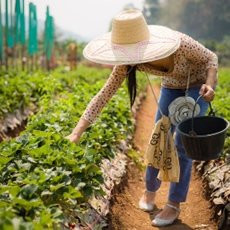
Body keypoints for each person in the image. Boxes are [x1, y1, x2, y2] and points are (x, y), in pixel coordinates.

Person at [66, 9, 218, 227]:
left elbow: (211, 58)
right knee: (158, 136)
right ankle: (149, 190)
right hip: (171, 87)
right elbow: (104, 94)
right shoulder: (128, 62)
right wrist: (76, 132)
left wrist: (210, 85)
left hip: (198, 87)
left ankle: (173, 204)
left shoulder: (181, 43)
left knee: (182, 142)